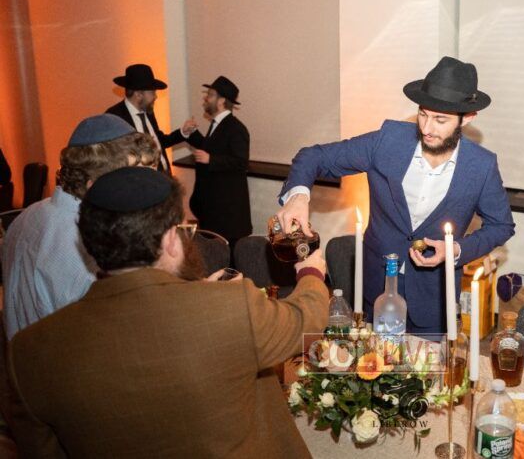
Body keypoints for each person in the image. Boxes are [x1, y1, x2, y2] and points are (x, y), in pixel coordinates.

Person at [7, 166, 328, 458]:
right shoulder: (232, 307)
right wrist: (310, 271)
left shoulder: (27, 352)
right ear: (171, 241)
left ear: (90, 244)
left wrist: (198, 293)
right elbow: (305, 320)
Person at [277, 56, 515, 333]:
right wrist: (298, 197)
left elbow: (501, 225)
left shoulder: (482, 166)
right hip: (375, 286)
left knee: (428, 362)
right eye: (423, 114)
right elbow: (313, 157)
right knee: (371, 359)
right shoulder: (388, 140)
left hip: (433, 299)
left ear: (468, 118)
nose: (427, 128)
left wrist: (457, 250)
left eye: (440, 120)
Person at [2, 115, 158, 339]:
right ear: (95, 185)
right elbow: (115, 335)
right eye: (133, 179)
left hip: (21, 355)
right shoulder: (92, 248)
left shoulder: (27, 215)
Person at [182, 76, 252, 247]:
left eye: (210, 95)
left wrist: (211, 159)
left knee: (227, 256)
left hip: (226, 213)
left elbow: (240, 162)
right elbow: (210, 149)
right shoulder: (218, 125)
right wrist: (190, 134)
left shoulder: (236, 128)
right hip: (213, 209)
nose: (206, 98)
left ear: (221, 101)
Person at [105, 63, 186, 173]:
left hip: (164, 176)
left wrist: (183, 133)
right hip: (139, 180)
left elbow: (158, 141)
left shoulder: (148, 111)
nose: (156, 96)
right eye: (153, 92)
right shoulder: (114, 117)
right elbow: (114, 158)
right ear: (138, 95)